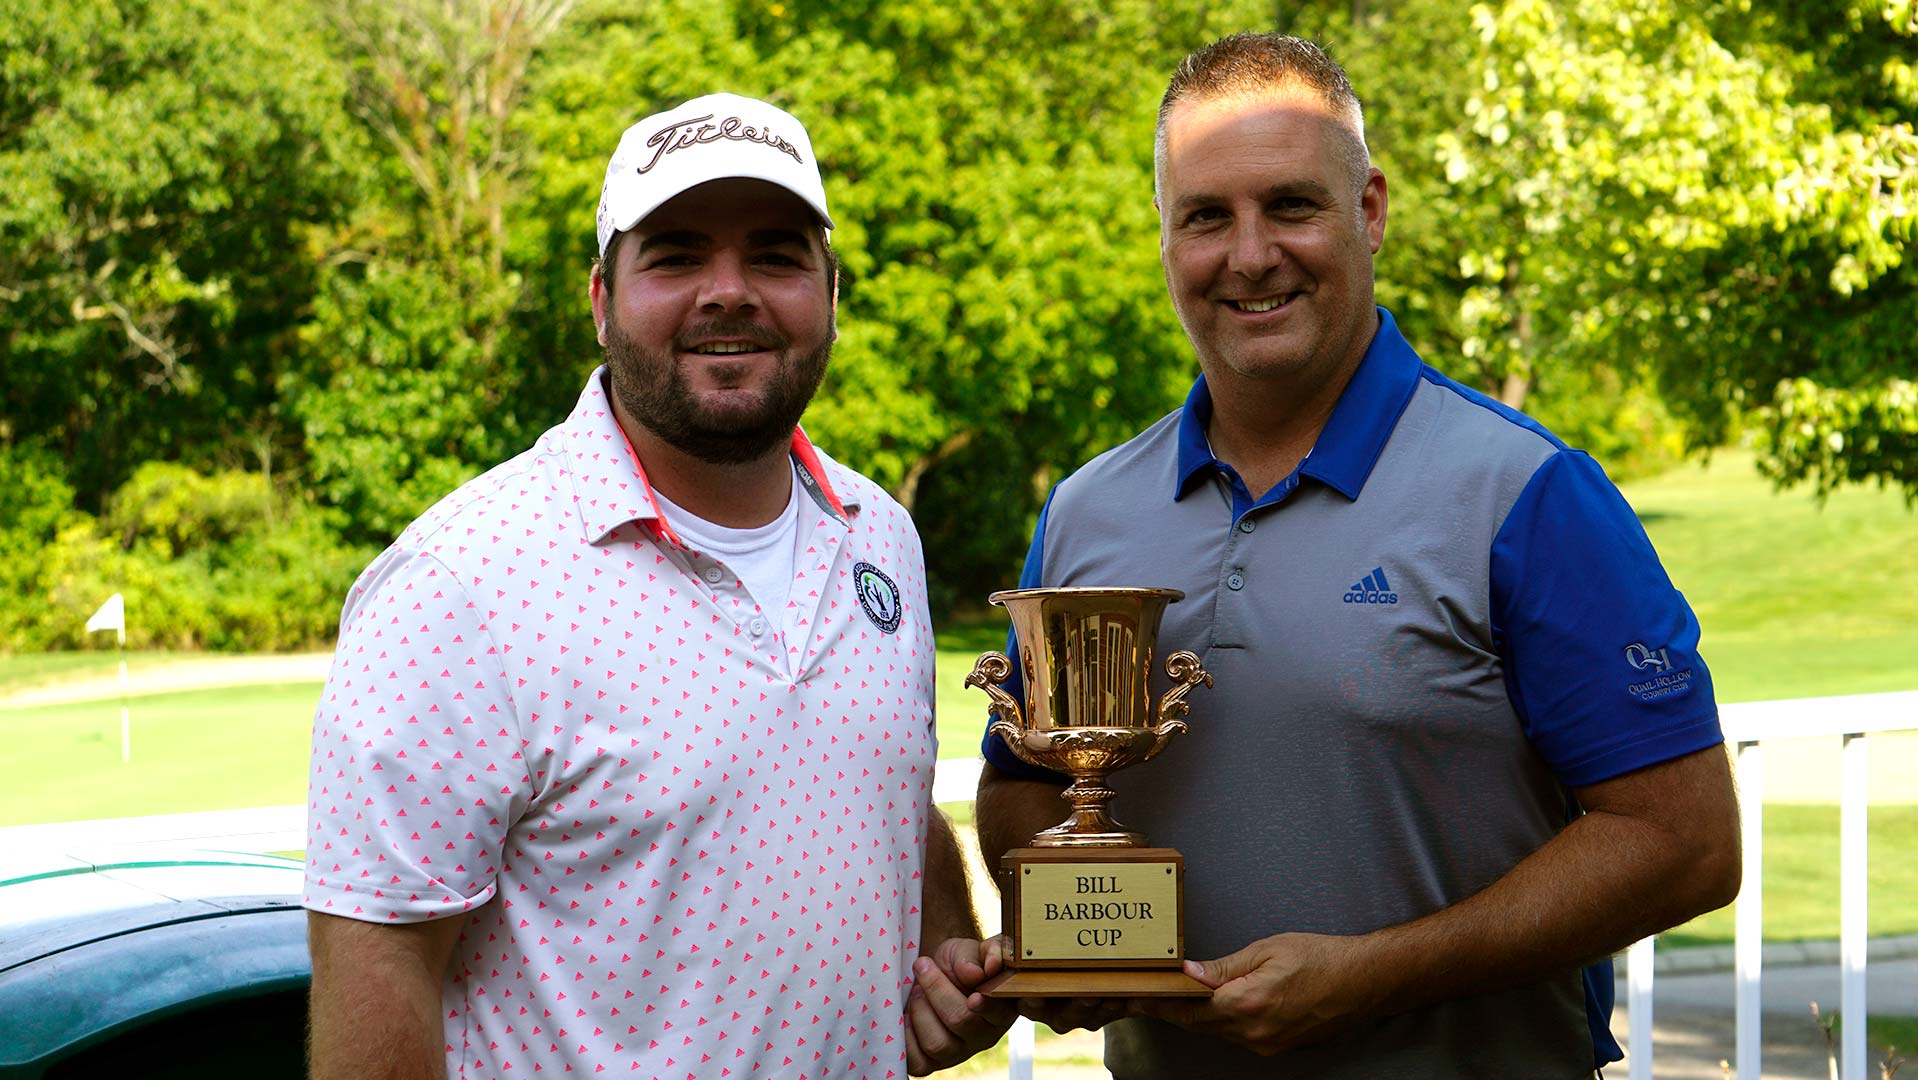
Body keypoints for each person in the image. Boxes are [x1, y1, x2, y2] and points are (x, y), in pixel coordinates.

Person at [972, 34, 1741, 1079]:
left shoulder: (1523, 491)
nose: (1249, 256)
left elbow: (1684, 844)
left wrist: (1376, 972)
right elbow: (1023, 785)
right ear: (1163, 233)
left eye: (1290, 205)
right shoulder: (1087, 511)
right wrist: (1079, 947)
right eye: (1206, 215)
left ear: (1368, 210)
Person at [304, 92, 1011, 1080]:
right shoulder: (458, 588)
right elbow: (377, 994)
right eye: (676, 254)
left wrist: (940, 957)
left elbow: (885, 793)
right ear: (600, 299)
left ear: (831, 294)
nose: (729, 293)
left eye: (774, 254)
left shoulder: (879, 539)